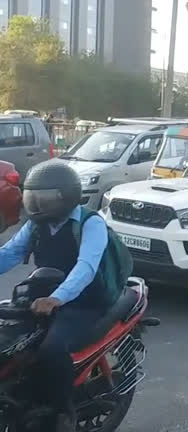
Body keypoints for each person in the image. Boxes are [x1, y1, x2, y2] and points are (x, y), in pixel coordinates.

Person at [0, 161, 113, 432]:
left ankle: (62, 411)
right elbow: (9, 254)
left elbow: (85, 267)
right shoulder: (37, 225)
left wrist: (58, 298)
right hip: (41, 295)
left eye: (44, 199)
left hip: (83, 302)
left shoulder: (90, 223)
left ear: (67, 197)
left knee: (51, 350)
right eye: (32, 198)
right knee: (10, 343)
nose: (37, 206)